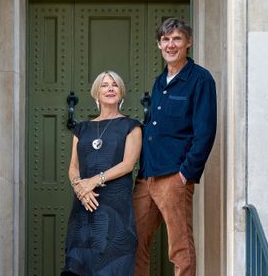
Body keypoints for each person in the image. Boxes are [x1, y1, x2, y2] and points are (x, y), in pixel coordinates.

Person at [133, 18, 217, 276]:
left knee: (179, 248)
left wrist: (186, 173)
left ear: (188, 42)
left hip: (174, 175)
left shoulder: (200, 79)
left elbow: (205, 131)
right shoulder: (160, 82)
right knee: (133, 241)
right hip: (147, 175)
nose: (171, 44)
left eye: (177, 39)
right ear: (159, 45)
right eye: (166, 39)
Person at [61, 71, 142, 276]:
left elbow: (128, 164)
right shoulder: (82, 129)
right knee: (78, 267)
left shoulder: (131, 126)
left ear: (121, 92)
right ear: (96, 93)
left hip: (115, 209)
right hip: (84, 208)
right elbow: (73, 167)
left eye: (115, 85)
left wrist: (94, 181)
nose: (110, 89)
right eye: (105, 85)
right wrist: (81, 189)